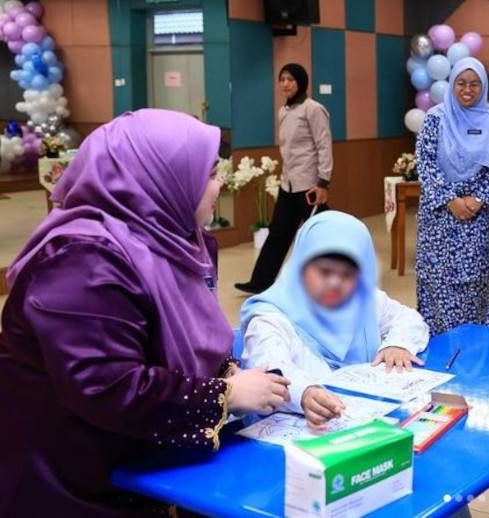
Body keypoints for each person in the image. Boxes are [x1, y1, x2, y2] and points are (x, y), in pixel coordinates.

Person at [0, 109, 290, 517]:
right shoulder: (83, 260)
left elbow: (181, 342)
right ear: (157, 178)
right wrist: (225, 395)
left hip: (138, 461)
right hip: (69, 476)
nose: (220, 184)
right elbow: (107, 386)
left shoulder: (176, 242)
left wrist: (228, 372)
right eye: (209, 173)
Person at [241, 211, 429, 429]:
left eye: (347, 274)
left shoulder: (363, 300)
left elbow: (409, 319)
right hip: (299, 435)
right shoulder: (270, 317)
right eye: (324, 271)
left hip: (367, 424)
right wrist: (304, 393)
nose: (335, 283)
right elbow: (270, 368)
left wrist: (397, 344)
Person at [415, 57, 489, 335]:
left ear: (484, 86)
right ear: (452, 84)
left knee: (475, 282)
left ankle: (474, 347)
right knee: (438, 282)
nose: (468, 90)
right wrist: (450, 200)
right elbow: (425, 163)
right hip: (440, 219)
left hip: (477, 220)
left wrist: (478, 199)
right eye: (461, 83)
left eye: (474, 84)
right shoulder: (435, 118)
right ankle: (440, 346)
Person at [237, 63, 333, 294]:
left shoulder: (313, 109)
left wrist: (323, 182)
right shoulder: (284, 111)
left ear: (301, 82)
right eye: (282, 79)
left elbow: (324, 145)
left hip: (309, 185)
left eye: (291, 79)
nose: (286, 84)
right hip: (288, 183)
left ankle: (341, 275)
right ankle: (260, 282)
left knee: (321, 235)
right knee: (278, 233)